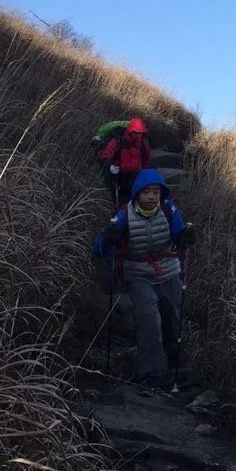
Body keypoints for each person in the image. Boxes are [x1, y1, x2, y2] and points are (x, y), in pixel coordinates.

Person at [93, 168, 195, 395]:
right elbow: (99, 248)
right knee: (149, 316)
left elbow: (179, 233)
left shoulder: (168, 209)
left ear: (162, 194)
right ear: (137, 194)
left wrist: (184, 238)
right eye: (146, 192)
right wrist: (107, 238)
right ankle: (149, 374)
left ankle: (174, 363)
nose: (151, 196)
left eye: (156, 192)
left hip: (168, 271)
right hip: (137, 273)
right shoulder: (124, 215)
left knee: (172, 316)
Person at [97, 117, 152, 205]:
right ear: (130, 131)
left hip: (136, 178)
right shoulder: (117, 141)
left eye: (141, 133)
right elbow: (104, 158)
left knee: (135, 204)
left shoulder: (144, 144)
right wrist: (110, 167)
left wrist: (146, 178)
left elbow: (147, 162)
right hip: (118, 179)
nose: (139, 136)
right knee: (119, 204)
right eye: (136, 133)